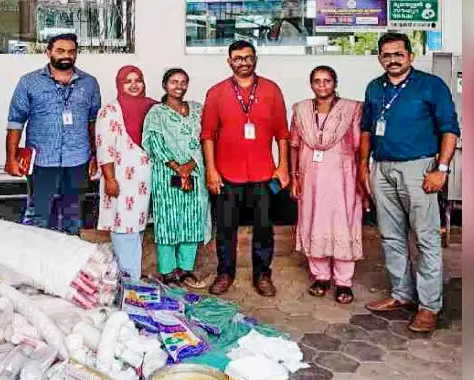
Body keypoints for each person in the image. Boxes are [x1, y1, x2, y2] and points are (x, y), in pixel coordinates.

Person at [358, 33, 460, 332]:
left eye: (398, 54)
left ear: (410, 56)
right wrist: (363, 165)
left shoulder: (431, 85)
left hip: (419, 169)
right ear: (379, 57)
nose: (392, 60)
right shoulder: (374, 87)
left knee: (426, 238)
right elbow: (366, 130)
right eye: (386, 55)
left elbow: (450, 129)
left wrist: (441, 169)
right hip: (382, 168)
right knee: (390, 236)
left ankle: (429, 306)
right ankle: (402, 294)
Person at [201, 40, 290, 297]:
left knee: (264, 227)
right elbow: (207, 135)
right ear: (229, 62)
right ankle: (225, 273)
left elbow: (282, 133)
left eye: (248, 57)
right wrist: (211, 170)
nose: (244, 62)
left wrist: (283, 166)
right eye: (238, 58)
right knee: (226, 228)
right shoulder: (216, 92)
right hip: (227, 173)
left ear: (255, 59)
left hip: (264, 172)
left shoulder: (271, 90)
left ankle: (262, 274)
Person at [6, 33, 101, 234]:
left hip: (78, 159)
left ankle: (69, 251)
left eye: (71, 51)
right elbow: (15, 122)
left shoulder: (89, 83)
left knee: (73, 214)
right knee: (38, 214)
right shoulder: (29, 82)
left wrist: (95, 155)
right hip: (42, 160)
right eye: (60, 50)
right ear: (48, 53)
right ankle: (34, 252)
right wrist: (11, 158)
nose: (66, 55)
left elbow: (93, 122)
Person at [290, 66, 363, 304]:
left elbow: (360, 145)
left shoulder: (351, 109)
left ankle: (343, 281)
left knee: (343, 222)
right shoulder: (301, 110)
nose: (322, 85)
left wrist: (362, 177)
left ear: (335, 83)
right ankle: (320, 276)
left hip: (342, 178)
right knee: (313, 220)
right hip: (310, 178)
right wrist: (294, 176)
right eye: (317, 81)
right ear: (311, 84)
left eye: (327, 81)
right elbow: (294, 145)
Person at [142, 68, 211, 289]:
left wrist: (190, 166)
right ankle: (168, 273)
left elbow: (207, 137)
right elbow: (154, 142)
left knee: (192, 221)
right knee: (167, 222)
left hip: (195, 172)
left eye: (183, 82)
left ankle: (186, 270)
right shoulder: (156, 113)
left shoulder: (198, 110)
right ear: (165, 85)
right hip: (166, 174)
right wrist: (177, 167)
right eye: (173, 82)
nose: (178, 86)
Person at [95, 66, 157, 279]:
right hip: (120, 180)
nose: (133, 85)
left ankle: (131, 277)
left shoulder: (152, 107)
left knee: (137, 228)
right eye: (127, 81)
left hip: (145, 182)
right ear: (119, 85)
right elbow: (104, 148)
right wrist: (110, 179)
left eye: (137, 80)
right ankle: (129, 280)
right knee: (123, 228)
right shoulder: (109, 111)